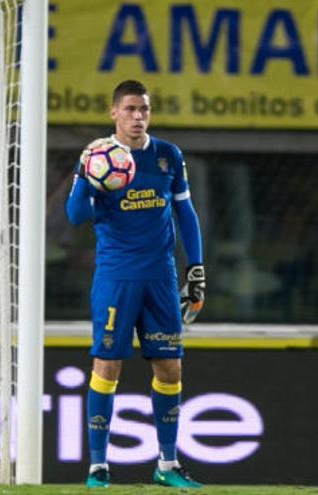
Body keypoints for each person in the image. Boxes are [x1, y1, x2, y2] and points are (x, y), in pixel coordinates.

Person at [65, 80, 205, 489]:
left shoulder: (167, 156)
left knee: (170, 366)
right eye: (130, 109)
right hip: (116, 277)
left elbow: (186, 214)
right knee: (107, 365)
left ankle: (167, 464)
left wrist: (194, 269)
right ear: (114, 114)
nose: (138, 116)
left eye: (144, 109)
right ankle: (97, 468)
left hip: (160, 277)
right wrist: (86, 176)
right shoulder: (97, 158)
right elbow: (75, 216)